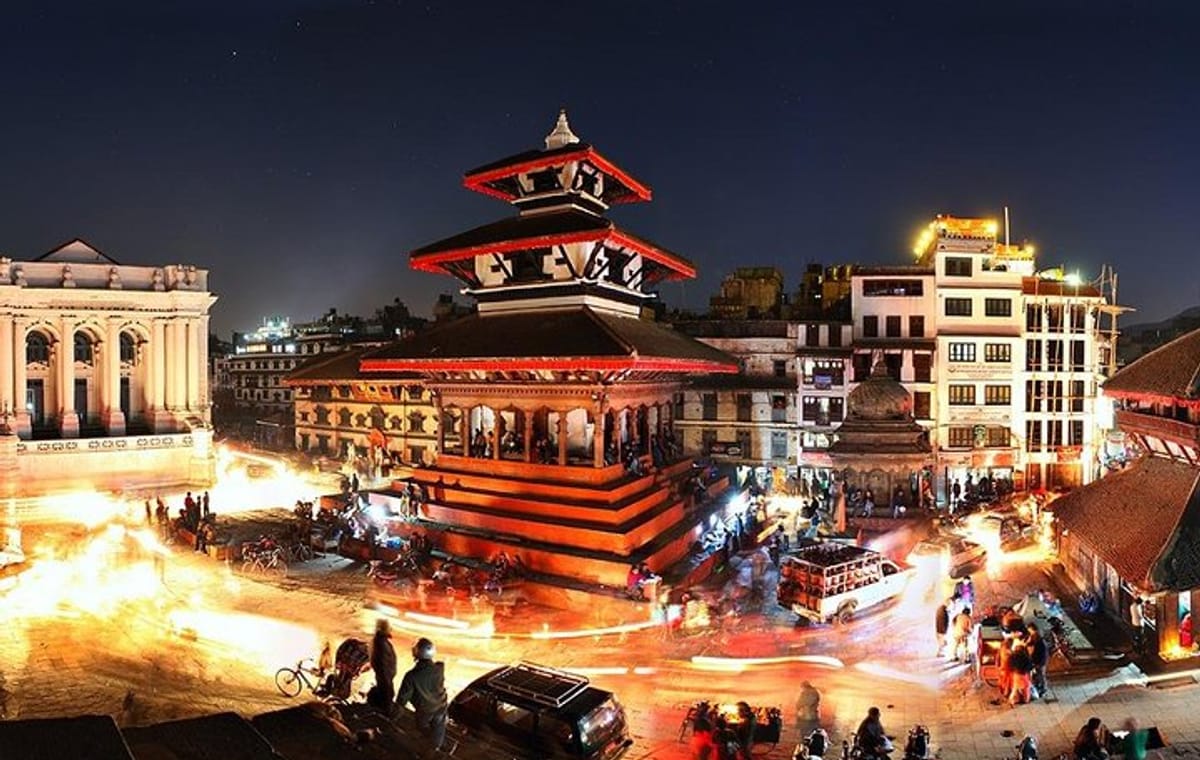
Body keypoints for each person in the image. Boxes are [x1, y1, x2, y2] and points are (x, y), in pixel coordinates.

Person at [397, 637, 449, 751]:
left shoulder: (411, 676)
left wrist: (395, 714)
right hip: (441, 706)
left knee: (422, 728)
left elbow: (402, 699)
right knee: (438, 731)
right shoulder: (440, 668)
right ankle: (437, 747)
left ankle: (428, 750)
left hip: (425, 711)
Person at [368, 619, 397, 714]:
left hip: (386, 679)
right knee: (386, 701)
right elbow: (382, 664)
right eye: (388, 628)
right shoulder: (381, 644)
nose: (390, 629)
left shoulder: (381, 642)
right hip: (385, 680)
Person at [1026, 623, 1049, 700]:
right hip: (1041, 659)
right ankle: (1040, 688)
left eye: (1029, 629)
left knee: (1040, 675)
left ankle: (1042, 689)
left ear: (1031, 629)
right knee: (1039, 674)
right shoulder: (1037, 636)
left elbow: (1033, 647)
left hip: (1039, 660)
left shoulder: (1035, 636)